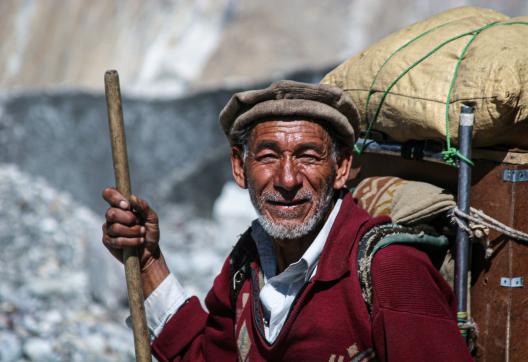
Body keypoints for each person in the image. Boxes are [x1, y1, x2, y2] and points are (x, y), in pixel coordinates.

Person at [101, 80, 472, 361]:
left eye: (308, 156)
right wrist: (148, 262)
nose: (288, 179)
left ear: (341, 168)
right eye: (267, 157)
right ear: (238, 167)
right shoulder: (245, 266)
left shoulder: (389, 271)